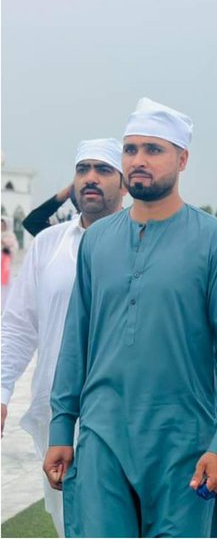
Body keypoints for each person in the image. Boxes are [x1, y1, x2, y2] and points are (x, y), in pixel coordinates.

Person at [44, 98, 217, 538]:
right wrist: (61, 426)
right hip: (103, 434)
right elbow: (76, 339)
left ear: (182, 159)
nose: (138, 161)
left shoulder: (215, 241)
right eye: (131, 150)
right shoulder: (99, 240)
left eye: (153, 150)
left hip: (183, 438)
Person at [1, 140, 125, 537]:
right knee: (68, 522)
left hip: (122, 412)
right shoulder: (49, 246)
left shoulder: (143, 242)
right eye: (83, 169)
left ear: (124, 184)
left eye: (103, 170)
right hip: (55, 413)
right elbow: (19, 325)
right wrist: (1, 390)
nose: (90, 178)